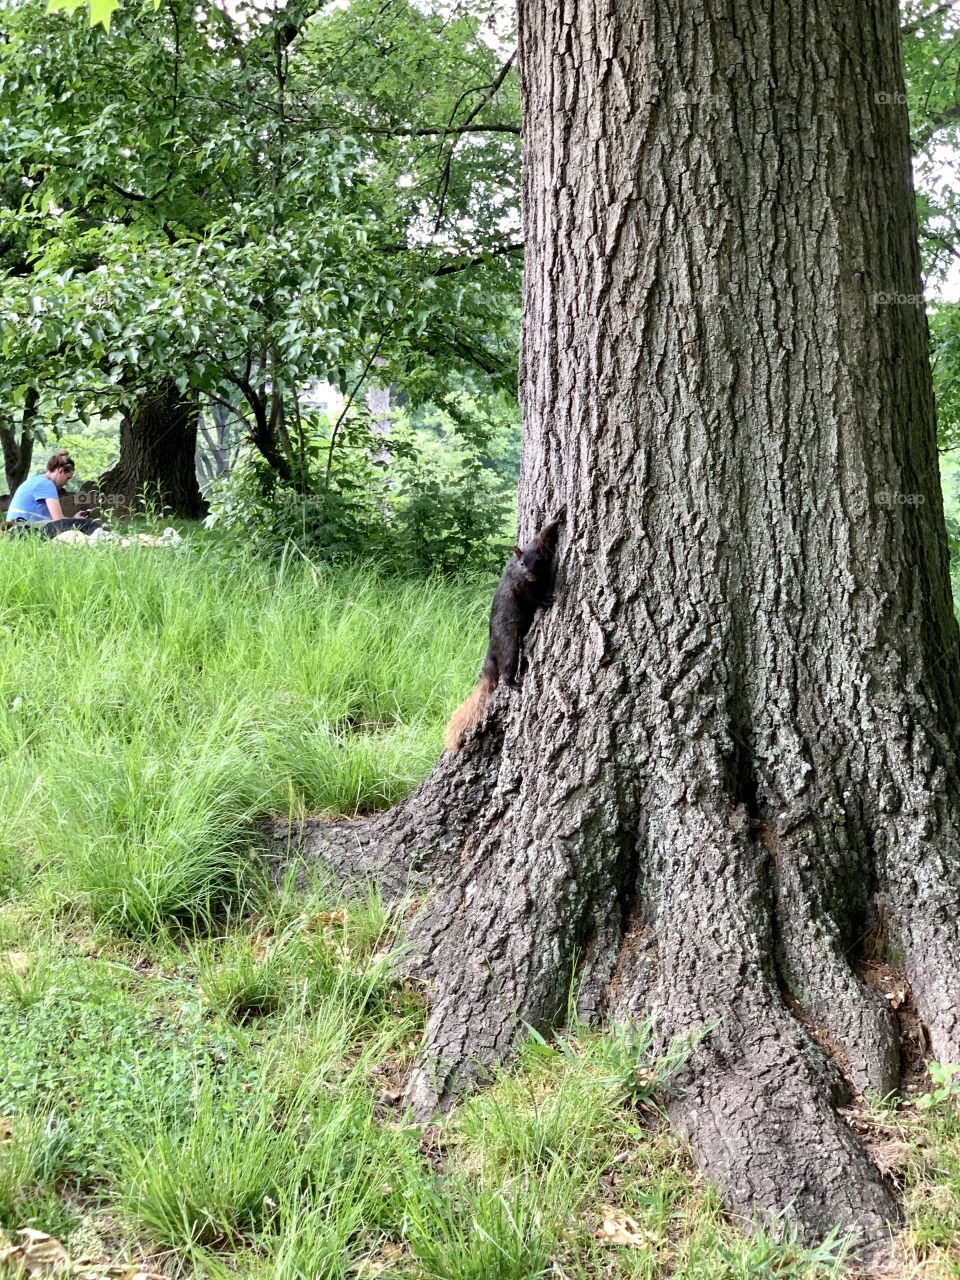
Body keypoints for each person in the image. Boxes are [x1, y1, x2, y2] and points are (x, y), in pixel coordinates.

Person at [5, 450, 101, 537]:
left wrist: (74, 518)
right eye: (67, 478)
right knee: (89, 524)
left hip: (19, 527)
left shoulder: (36, 480)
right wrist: (77, 521)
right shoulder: (47, 484)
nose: (66, 483)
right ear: (60, 471)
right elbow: (58, 521)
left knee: (77, 522)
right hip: (25, 528)